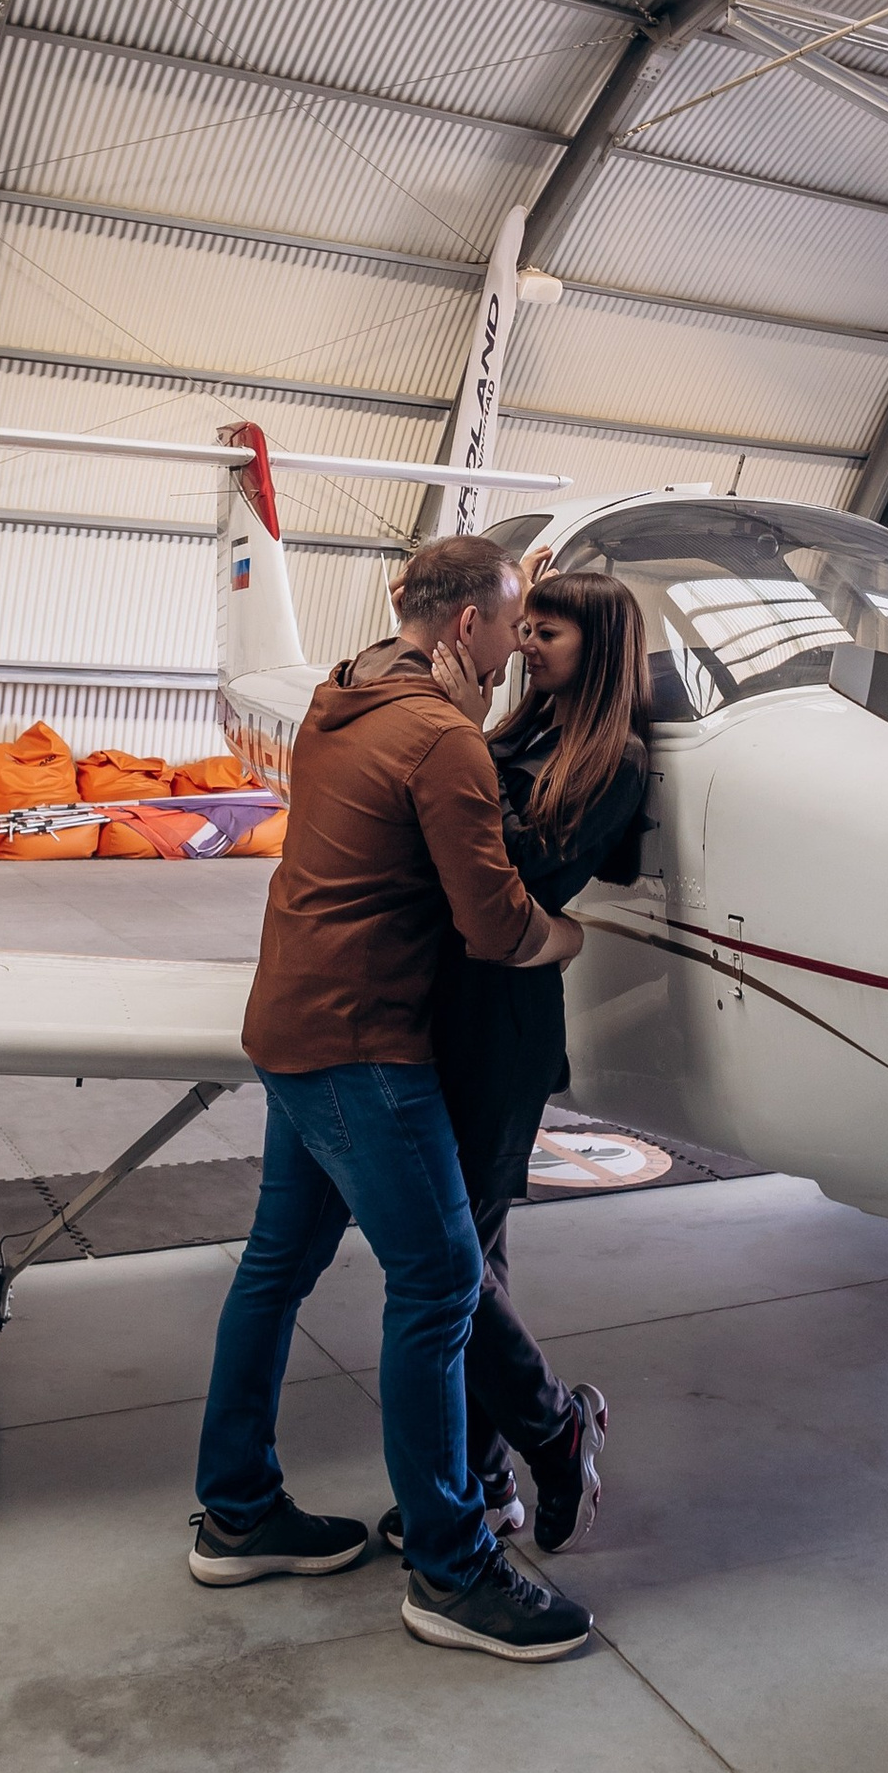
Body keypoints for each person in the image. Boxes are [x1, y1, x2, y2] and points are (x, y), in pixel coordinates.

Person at [189, 534, 597, 1663]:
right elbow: (496, 926)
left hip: (289, 1020)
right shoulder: (443, 738)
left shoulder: (344, 690)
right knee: (443, 1281)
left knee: (276, 1268)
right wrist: (569, 936)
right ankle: (452, 1569)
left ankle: (237, 1510)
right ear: (467, 624)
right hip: (363, 1044)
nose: (518, 647)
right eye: (510, 622)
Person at [383, 569, 648, 1564]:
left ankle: (551, 1428)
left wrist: (458, 736)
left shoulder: (615, 762)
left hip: (501, 1025)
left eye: (550, 632)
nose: (526, 643)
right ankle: (488, 1481)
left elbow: (521, 871)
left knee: (448, 1254)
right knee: (471, 1255)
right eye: (524, 626)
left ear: (600, 648)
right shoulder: (511, 732)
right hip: (441, 1003)